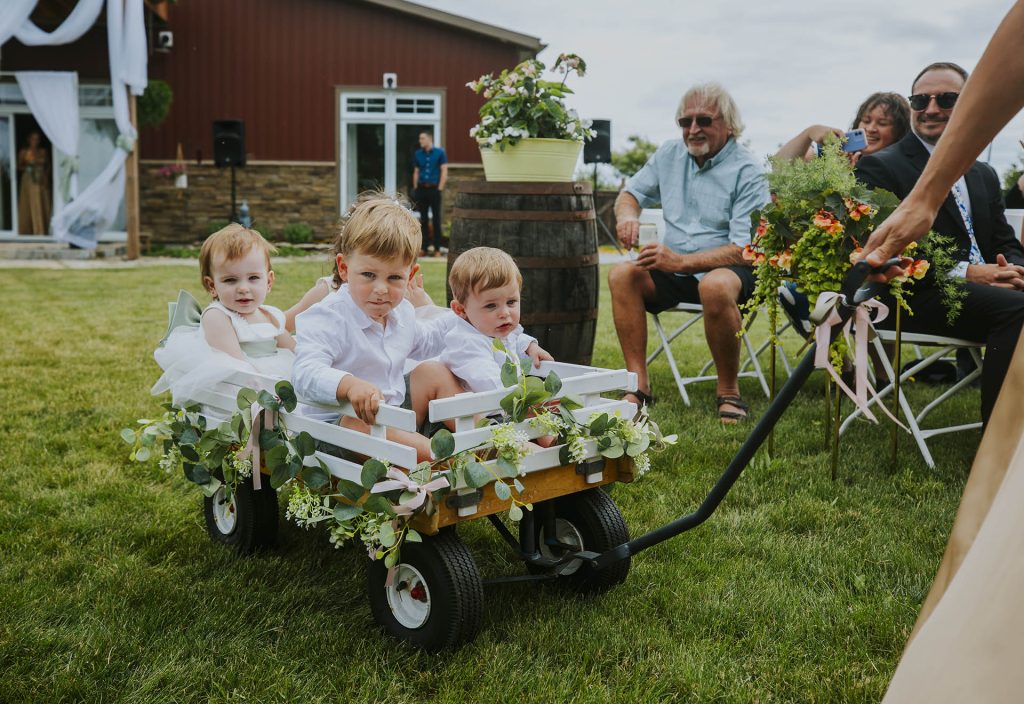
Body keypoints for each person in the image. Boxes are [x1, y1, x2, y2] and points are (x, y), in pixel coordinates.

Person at [855, 61, 1024, 425]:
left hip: (991, 290)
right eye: (920, 100)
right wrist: (969, 273)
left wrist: (1011, 269)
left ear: (967, 105)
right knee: (1017, 309)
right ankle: (998, 442)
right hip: (915, 293)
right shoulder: (881, 167)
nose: (931, 109)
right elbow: (887, 249)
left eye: (946, 98)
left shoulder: (983, 172)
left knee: (1015, 298)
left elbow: (1003, 238)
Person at [608, 82, 770, 423]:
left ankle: (729, 392)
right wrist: (627, 217)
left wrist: (680, 261)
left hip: (733, 270)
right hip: (674, 269)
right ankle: (637, 384)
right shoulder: (668, 154)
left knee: (714, 285)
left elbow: (745, 249)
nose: (693, 130)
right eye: (685, 122)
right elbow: (630, 194)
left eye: (703, 120)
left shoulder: (748, 170)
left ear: (728, 124)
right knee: (622, 273)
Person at [291, 193, 463, 462]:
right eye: (369, 275)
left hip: (393, 416)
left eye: (394, 277)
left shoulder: (401, 312)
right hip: (336, 430)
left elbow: (427, 340)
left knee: (433, 371)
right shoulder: (329, 316)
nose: (381, 289)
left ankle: (487, 434)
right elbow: (305, 373)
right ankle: (448, 459)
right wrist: (349, 385)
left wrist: (465, 316)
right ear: (344, 268)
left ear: (411, 276)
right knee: (360, 422)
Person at [152, 224, 295, 405]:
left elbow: (294, 349)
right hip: (243, 393)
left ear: (269, 281)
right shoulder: (218, 316)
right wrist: (266, 392)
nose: (243, 288)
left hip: (278, 380)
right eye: (230, 280)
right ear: (212, 286)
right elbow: (236, 365)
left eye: (253, 278)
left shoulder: (271, 315)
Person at [443, 247, 552, 392]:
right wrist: (527, 400)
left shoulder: (494, 330)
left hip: (497, 409)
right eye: (491, 306)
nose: (505, 313)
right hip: (478, 411)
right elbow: (492, 385)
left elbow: (515, 338)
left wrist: (530, 346)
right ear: (461, 310)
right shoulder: (467, 344)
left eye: (511, 302)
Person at [774, 92, 911, 163]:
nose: (870, 128)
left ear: (899, 131)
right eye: (866, 120)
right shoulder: (834, 153)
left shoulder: (905, 166)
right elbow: (780, 166)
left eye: (882, 123)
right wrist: (809, 133)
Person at [411, 130, 448, 257]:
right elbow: (416, 171)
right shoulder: (418, 154)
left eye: (422, 138)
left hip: (434, 190)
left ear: (429, 139)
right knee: (423, 219)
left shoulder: (440, 153)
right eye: (420, 139)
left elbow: (444, 170)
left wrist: (440, 188)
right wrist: (416, 188)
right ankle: (424, 248)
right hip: (421, 189)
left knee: (436, 219)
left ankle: (437, 249)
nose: (420, 141)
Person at [17, 131, 50, 235]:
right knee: (29, 203)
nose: (35, 141)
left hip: (40, 178)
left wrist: (46, 177)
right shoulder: (24, 152)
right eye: (33, 139)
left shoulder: (43, 152)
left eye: (37, 139)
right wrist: (28, 167)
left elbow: (48, 166)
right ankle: (28, 231)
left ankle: (42, 230)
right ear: (29, 140)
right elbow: (18, 167)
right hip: (29, 178)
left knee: (42, 201)